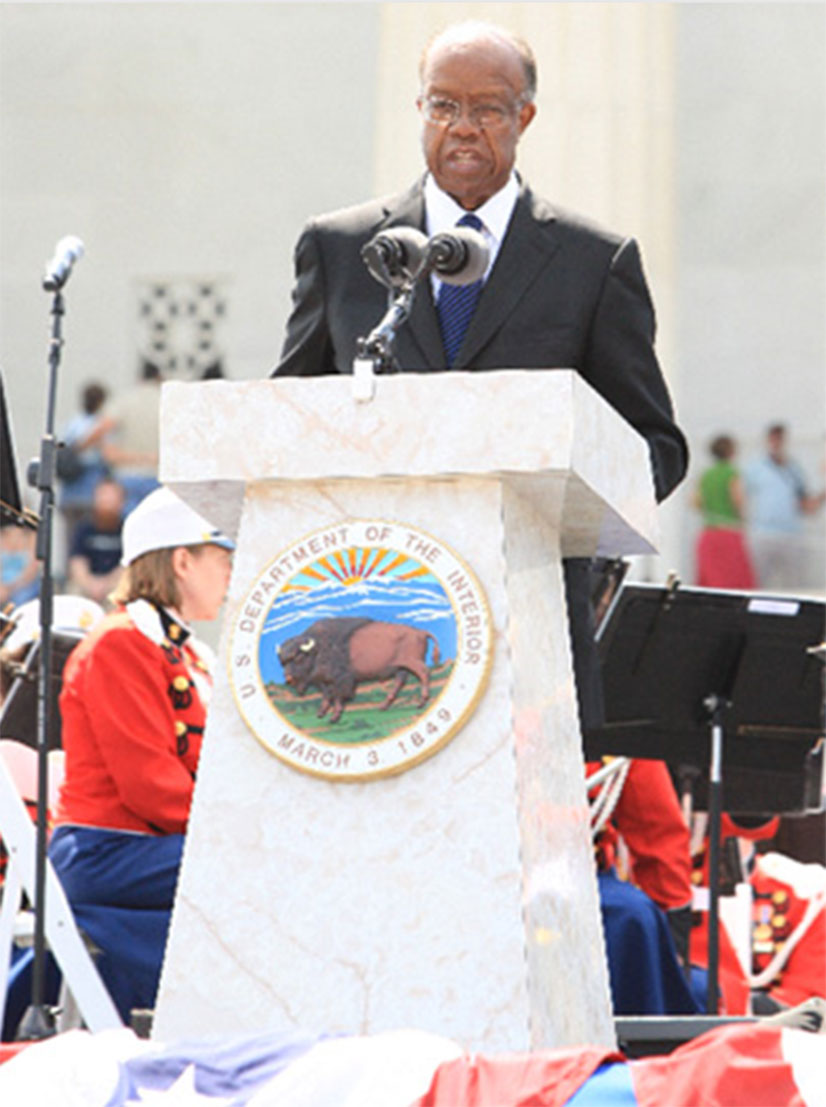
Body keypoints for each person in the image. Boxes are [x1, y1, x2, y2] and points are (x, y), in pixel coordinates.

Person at [272, 20, 689, 732]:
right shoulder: (342, 249)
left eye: (487, 108)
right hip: (380, 593)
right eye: (443, 105)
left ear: (523, 116)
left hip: (531, 621)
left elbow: (656, 446)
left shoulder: (595, 261)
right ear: (420, 111)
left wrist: (560, 500)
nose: (462, 127)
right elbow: (288, 416)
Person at [46, 486, 234, 1024]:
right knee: (264, 873)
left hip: (151, 850)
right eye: (222, 559)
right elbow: (151, 789)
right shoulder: (119, 644)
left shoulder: (182, 650)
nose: (229, 574)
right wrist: (241, 839)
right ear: (182, 560)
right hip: (112, 854)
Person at [588, 757, 701, 1015]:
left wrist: (675, 932)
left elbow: (656, 828)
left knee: (633, 917)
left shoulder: (610, 733)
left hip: (582, 876)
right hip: (486, 874)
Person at [744, 423, 825, 591]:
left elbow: (805, 504)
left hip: (791, 533)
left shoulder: (794, 469)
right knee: (759, 584)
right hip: (763, 533)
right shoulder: (755, 468)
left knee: (794, 584)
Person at [693, 433, 756, 589]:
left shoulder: (706, 475)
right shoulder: (731, 473)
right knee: (734, 582)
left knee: (712, 582)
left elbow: (695, 502)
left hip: (708, 533)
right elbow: (738, 500)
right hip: (729, 533)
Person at [101, 360, 163, 514]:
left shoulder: (123, 401)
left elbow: (103, 428)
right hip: (158, 475)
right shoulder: (167, 401)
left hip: (127, 475)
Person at [57, 380, 114, 547]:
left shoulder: (72, 424)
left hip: (69, 493)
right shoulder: (100, 425)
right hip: (90, 490)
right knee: (86, 540)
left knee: (71, 539)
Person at [66, 477, 126, 605]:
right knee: (73, 594)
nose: (106, 502)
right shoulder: (84, 528)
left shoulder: (126, 529)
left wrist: (106, 584)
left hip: (115, 584)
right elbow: (77, 562)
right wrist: (90, 584)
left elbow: (127, 566)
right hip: (87, 583)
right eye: (103, 497)